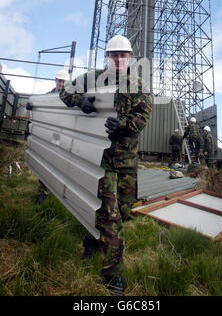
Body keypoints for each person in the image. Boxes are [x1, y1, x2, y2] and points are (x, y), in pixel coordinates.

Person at [59, 35, 152, 295]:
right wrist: (81, 101)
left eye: (123, 55)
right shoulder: (93, 79)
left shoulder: (139, 85)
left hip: (127, 161)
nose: (118, 59)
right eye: (114, 55)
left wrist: (123, 125)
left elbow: (143, 116)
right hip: (101, 159)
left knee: (123, 212)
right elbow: (65, 91)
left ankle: (92, 236)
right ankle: (113, 276)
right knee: (112, 218)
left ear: (130, 57)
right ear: (108, 57)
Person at [36, 69, 70, 204]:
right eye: (59, 80)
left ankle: (62, 194)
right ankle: (43, 192)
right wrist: (32, 106)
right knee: (46, 162)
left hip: (65, 135)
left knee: (62, 165)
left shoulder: (71, 97)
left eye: (64, 81)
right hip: (49, 134)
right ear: (55, 80)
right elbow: (39, 108)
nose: (61, 83)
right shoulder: (47, 97)